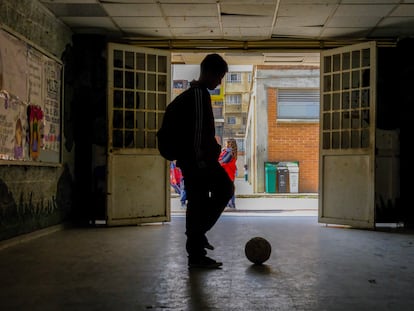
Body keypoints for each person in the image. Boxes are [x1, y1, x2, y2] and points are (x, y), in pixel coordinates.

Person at [171, 53, 234, 269]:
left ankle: (196, 252)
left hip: (194, 161)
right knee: (225, 188)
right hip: (198, 162)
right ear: (209, 73)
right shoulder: (198, 95)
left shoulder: (196, 94)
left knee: (197, 204)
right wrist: (201, 162)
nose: (219, 82)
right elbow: (198, 133)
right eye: (219, 77)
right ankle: (197, 236)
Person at [219, 139, 238, 208]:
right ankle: (230, 204)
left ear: (230, 144)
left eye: (226, 143)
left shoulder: (230, 152)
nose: (225, 144)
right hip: (229, 172)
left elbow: (224, 161)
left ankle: (231, 204)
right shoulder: (228, 151)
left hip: (227, 173)